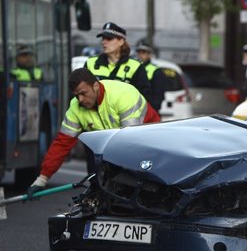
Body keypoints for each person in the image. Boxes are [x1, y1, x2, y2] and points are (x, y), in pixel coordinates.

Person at [26, 68, 160, 199]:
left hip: (151, 146)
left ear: (96, 86)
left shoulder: (123, 95)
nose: (80, 100)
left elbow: (131, 141)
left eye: (83, 93)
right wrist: (42, 179)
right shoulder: (75, 108)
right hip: (118, 150)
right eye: (76, 95)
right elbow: (61, 144)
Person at [84, 21, 152, 104]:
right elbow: (81, 93)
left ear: (121, 41)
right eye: (103, 38)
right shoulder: (90, 63)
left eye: (109, 38)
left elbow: (143, 99)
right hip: (95, 116)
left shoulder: (135, 67)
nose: (104, 42)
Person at [135, 42, 166, 112]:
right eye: (139, 52)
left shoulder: (155, 70)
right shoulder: (134, 67)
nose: (140, 55)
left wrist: (153, 109)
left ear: (149, 54)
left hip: (150, 109)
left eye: (143, 52)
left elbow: (158, 94)